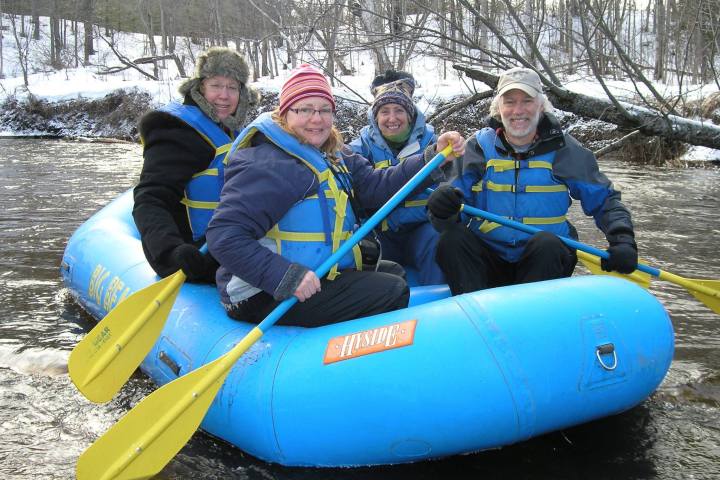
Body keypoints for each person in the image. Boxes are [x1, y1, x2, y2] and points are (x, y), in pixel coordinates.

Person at [206, 64, 465, 327]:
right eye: (304, 109)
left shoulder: (331, 154)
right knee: (391, 290)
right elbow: (223, 235)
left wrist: (431, 158)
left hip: (312, 271)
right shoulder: (267, 163)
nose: (316, 119)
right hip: (262, 292)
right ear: (285, 113)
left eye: (324, 110)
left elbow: (375, 186)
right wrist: (285, 276)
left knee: (394, 273)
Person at [427, 67, 637, 295]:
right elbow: (448, 213)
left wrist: (622, 239)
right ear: (499, 108)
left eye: (527, 101)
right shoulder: (478, 147)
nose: (518, 110)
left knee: (547, 244)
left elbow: (605, 200)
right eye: (509, 102)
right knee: (451, 240)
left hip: (543, 261)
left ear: (541, 105)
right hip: (489, 260)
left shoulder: (564, 149)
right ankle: (474, 313)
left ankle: (532, 320)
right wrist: (442, 210)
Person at [133, 47, 258, 282]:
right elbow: (150, 198)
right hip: (198, 255)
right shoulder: (177, 132)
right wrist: (171, 252)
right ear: (200, 87)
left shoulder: (236, 133)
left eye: (232, 87)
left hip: (234, 244)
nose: (224, 95)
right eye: (216, 85)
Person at [349, 70, 444, 285]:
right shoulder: (356, 149)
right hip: (379, 232)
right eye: (384, 111)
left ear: (410, 115)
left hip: (422, 228)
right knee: (364, 251)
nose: (392, 118)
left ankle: (437, 307)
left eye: (399, 110)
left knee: (440, 242)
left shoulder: (437, 146)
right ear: (375, 117)